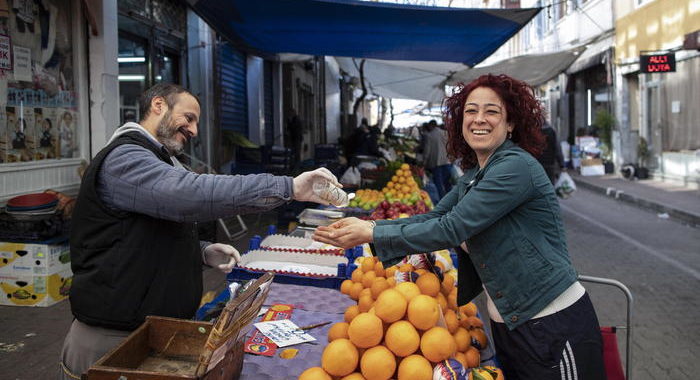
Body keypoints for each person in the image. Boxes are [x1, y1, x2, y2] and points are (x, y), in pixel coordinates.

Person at [314, 74, 606, 380]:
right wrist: (370, 225)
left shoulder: (514, 167)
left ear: (510, 124)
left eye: (492, 111)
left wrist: (372, 232)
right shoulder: (475, 175)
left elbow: (451, 228)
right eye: (471, 110)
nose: (479, 119)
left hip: (551, 323)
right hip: (511, 322)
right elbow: (434, 217)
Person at [59, 83, 341, 379]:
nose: (194, 130)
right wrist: (288, 187)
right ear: (158, 105)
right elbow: (189, 195)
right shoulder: (124, 159)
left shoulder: (160, 159)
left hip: (154, 337)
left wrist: (200, 251)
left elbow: (136, 234)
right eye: (188, 117)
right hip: (111, 344)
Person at [421, 119, 452, 199]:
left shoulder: (430, 135)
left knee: (438, 183)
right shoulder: (445, 133)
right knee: (447, 182)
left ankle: (442, 201)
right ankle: (451, 199)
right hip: (447, 161)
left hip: (436, 162)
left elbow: (427, 150)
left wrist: (424, 162)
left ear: (431, 126)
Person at [537, 120, 565, 185]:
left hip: (538, 164)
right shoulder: (552, 131)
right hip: (550, 164)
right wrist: (562, 164)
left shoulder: (535, 132)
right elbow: (558, 149)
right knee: (550, 186)